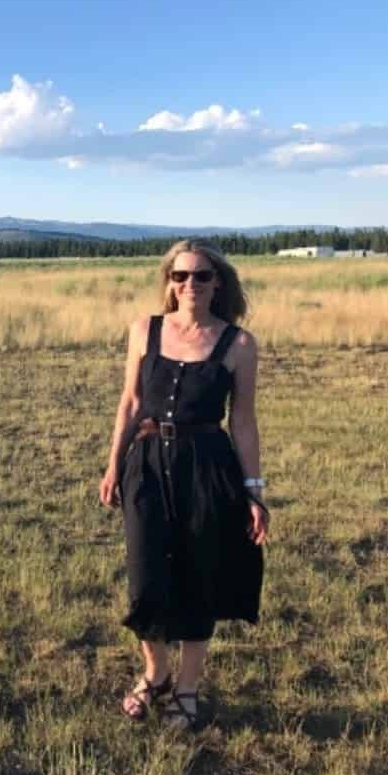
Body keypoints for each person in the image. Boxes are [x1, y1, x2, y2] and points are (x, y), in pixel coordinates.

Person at [99, 239, 269, 730]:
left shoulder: (238, 344)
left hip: (207, 466)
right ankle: (155, 674)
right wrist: (113, 465)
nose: (189, 284)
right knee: (145, 573)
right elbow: (130, 403)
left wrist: (253, 489)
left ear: (218, 282)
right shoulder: (144, 330)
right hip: (146, 464)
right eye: (180, 276)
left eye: (200, 276)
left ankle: (188, 687)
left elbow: (242, 421)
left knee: (200, 576)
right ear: (168, 282)